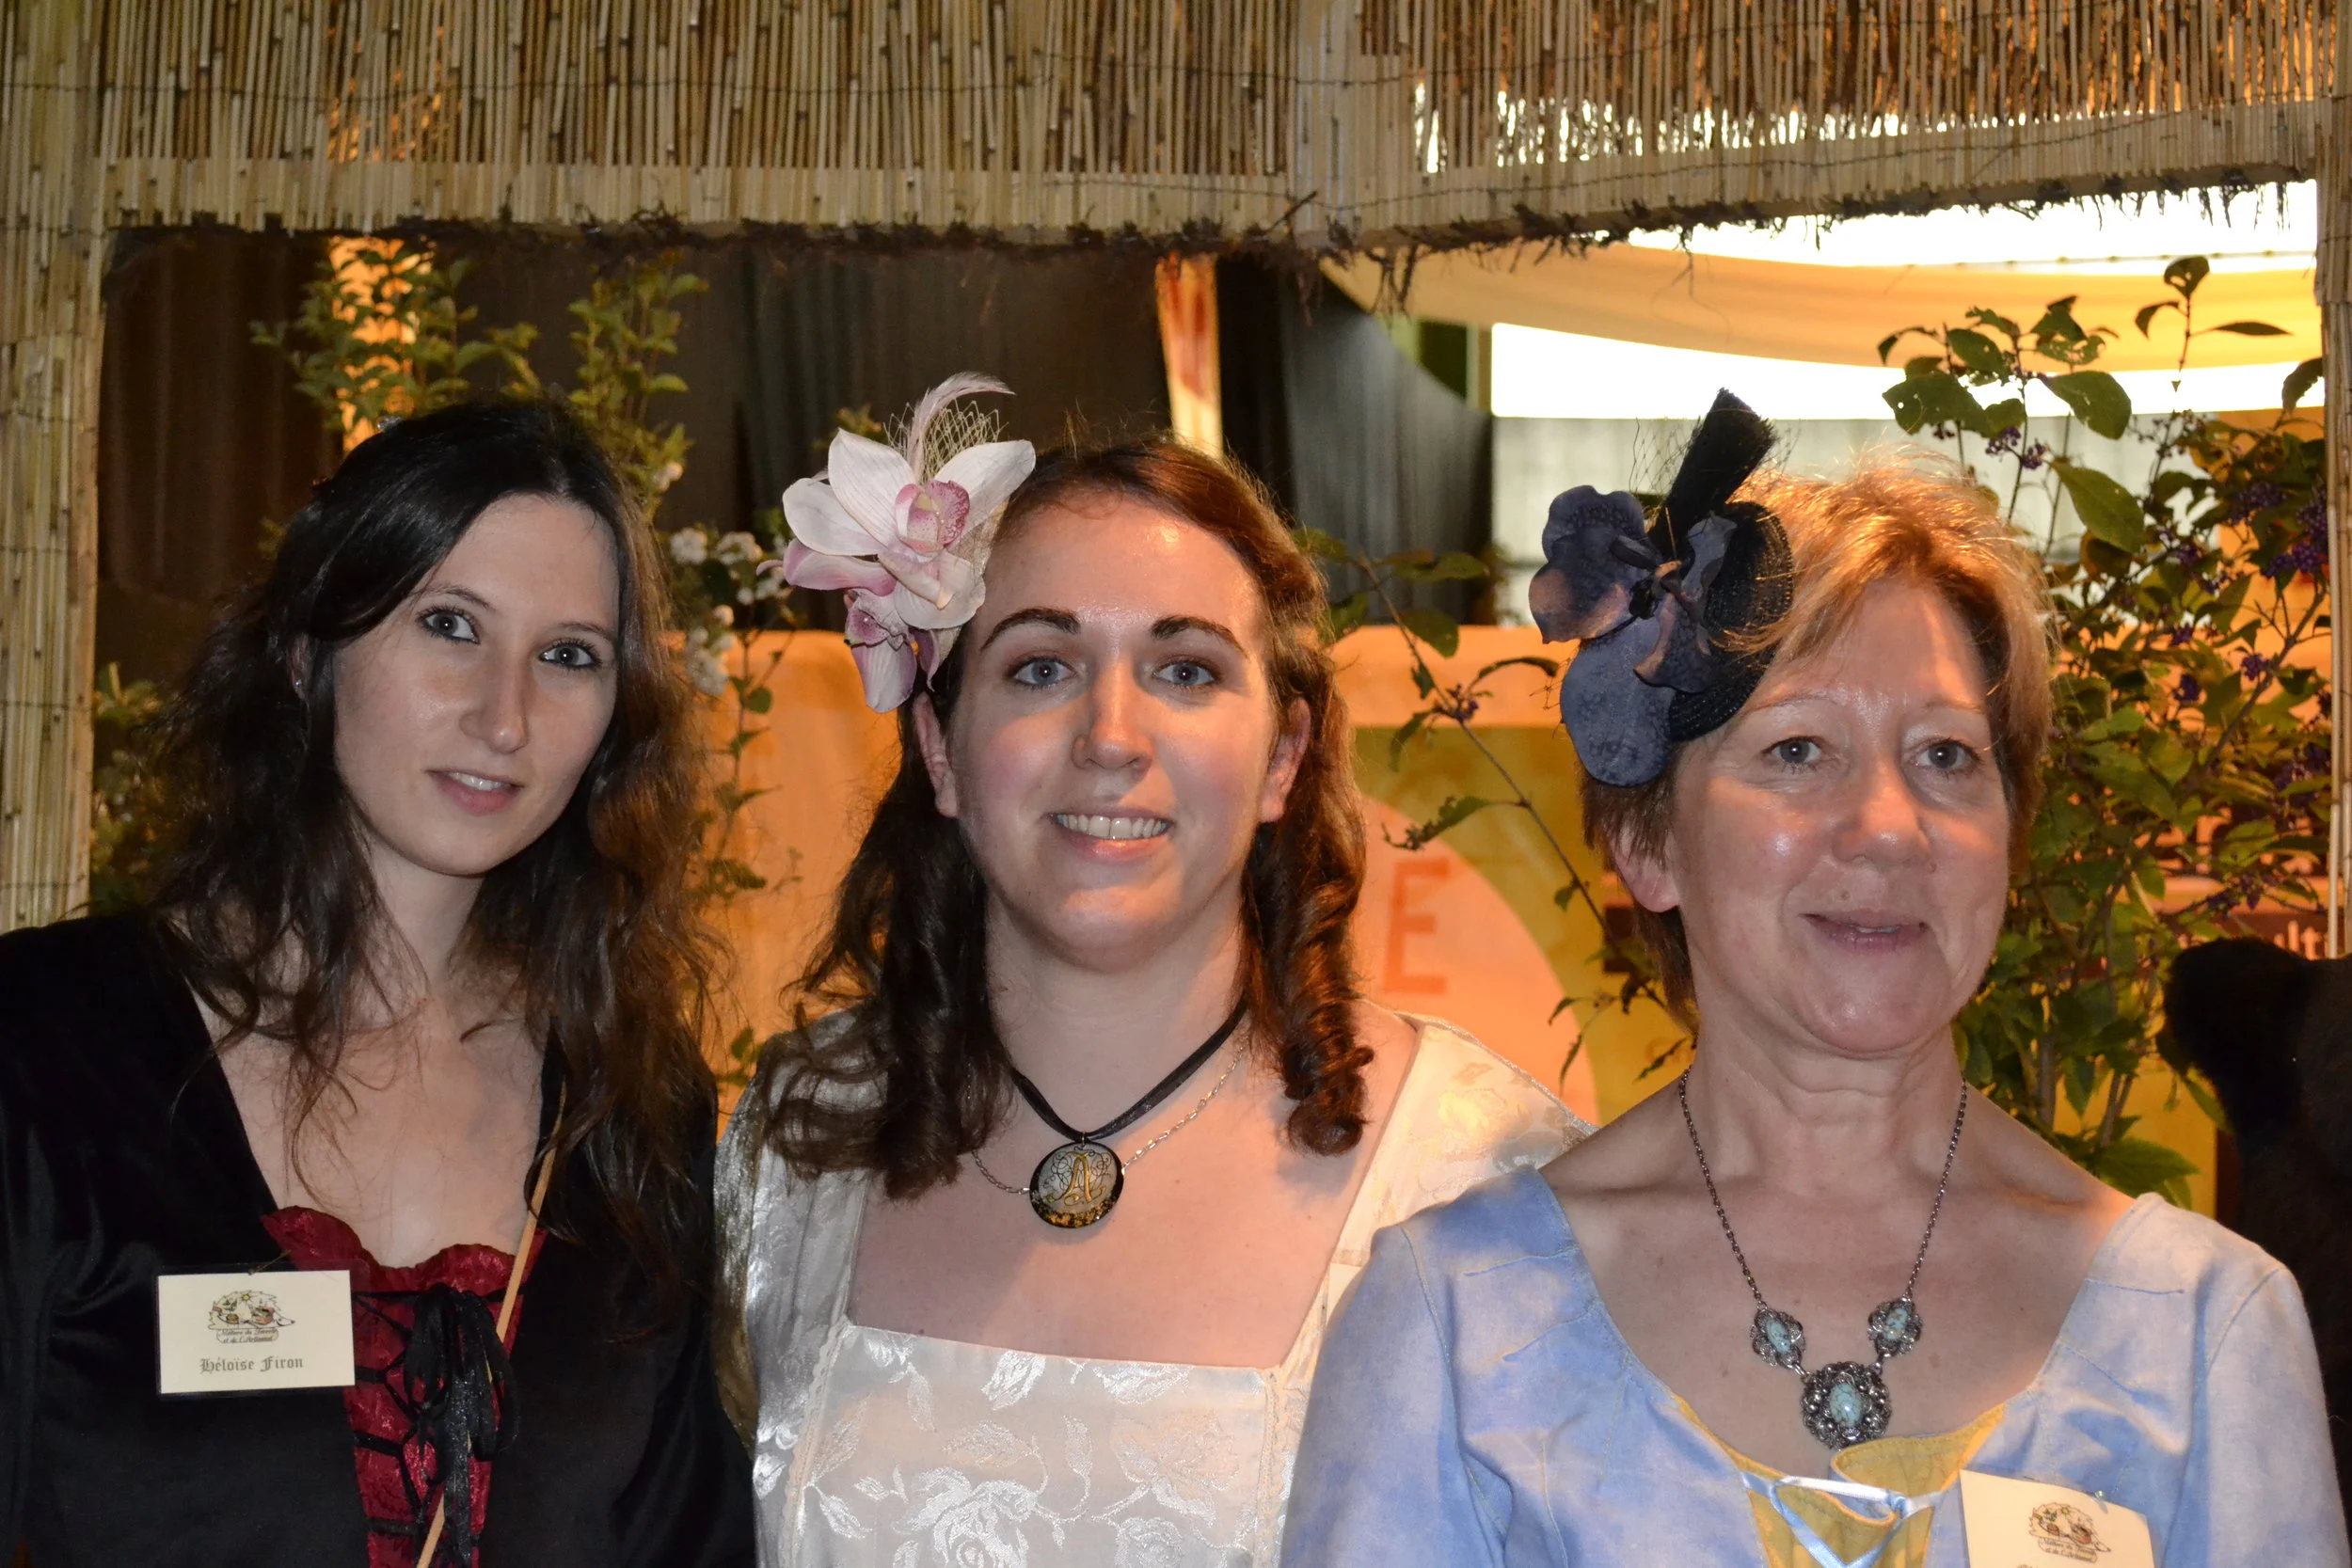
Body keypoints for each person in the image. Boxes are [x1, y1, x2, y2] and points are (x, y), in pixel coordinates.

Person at [1284, 394, 2350, 1566]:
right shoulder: (1455, 1326)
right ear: (1646, 841)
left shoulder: (2201, 1330)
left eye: (1946, 755)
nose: (1890, 825)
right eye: (1798, 749)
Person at [718, 377, 1586, 1566]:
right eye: (1040, 666)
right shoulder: (797, 1143)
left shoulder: (1478, 1176)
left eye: (1185, 671)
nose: (1111, 736)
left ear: (1282, 756)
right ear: (942, 748)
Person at [0, 401, 755, 1566]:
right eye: (450, 624)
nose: (504, 717)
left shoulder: (633, 1112)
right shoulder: (44, 1039)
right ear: (310, 649)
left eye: (568, 656)